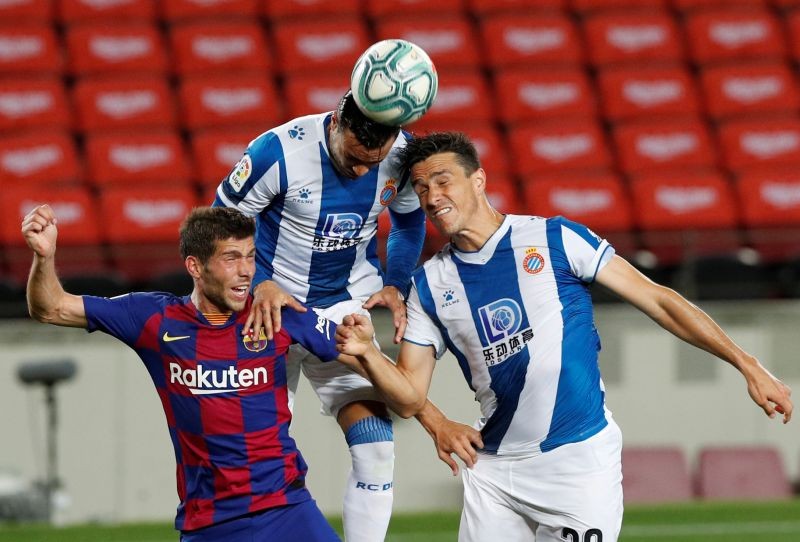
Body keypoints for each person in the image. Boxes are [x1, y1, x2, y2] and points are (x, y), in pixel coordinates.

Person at [335, 131, 794, 542]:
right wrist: (369, 355)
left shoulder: (555, 239)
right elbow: (409, 395)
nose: (432, 197)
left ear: (479, 180)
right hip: (492, 470)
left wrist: (746, 363)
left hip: (578, 463)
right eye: (421, 188)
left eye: (442, 180)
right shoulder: (429, 285)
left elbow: (659, 300)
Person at [212, 89, 474, 540]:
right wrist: (258, 283)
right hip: (267, 309)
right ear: (336, 124)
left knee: (375, 445)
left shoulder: (400, 156)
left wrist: (396, 281)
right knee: (251, 455)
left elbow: (409, 221)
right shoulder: (278, 151)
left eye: (372, 164)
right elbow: (219, 222)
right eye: (353, 158)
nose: (361, 170)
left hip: (344, 307)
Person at [23, 205, 347, 542]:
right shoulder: (152, 318)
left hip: (287, 507)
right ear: (195, 265)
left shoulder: (273, 313)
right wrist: (44, 258)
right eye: (231, 258)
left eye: (251, 256)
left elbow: (358, 350)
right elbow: (51, 308)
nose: (246, 271)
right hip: (210, 520)